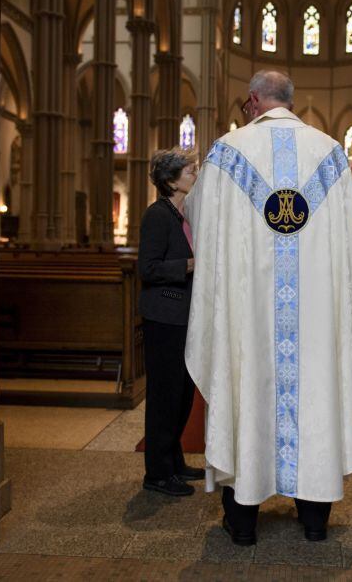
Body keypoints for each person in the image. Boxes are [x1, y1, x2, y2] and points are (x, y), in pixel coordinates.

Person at [185, 70, 352, 546]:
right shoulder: (330, 153)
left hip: (248, 315)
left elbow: (196, 212)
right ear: (290, 102)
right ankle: (314, 520)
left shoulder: (229, 153)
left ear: (253, 102)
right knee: (316, 394)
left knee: (245, 390)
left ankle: (243, 523)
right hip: (314, 314)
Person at [138, 149, 204, 497]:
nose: (194, 173)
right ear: (169, 180)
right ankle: (158, 473)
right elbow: (147, 268)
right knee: (164, 396)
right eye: (188, 170)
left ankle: (174, 460)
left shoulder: (185, 215)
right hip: (164, 318)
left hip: (184, 317)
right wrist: (189, 265)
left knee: (182, 394)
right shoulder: (157, 216)